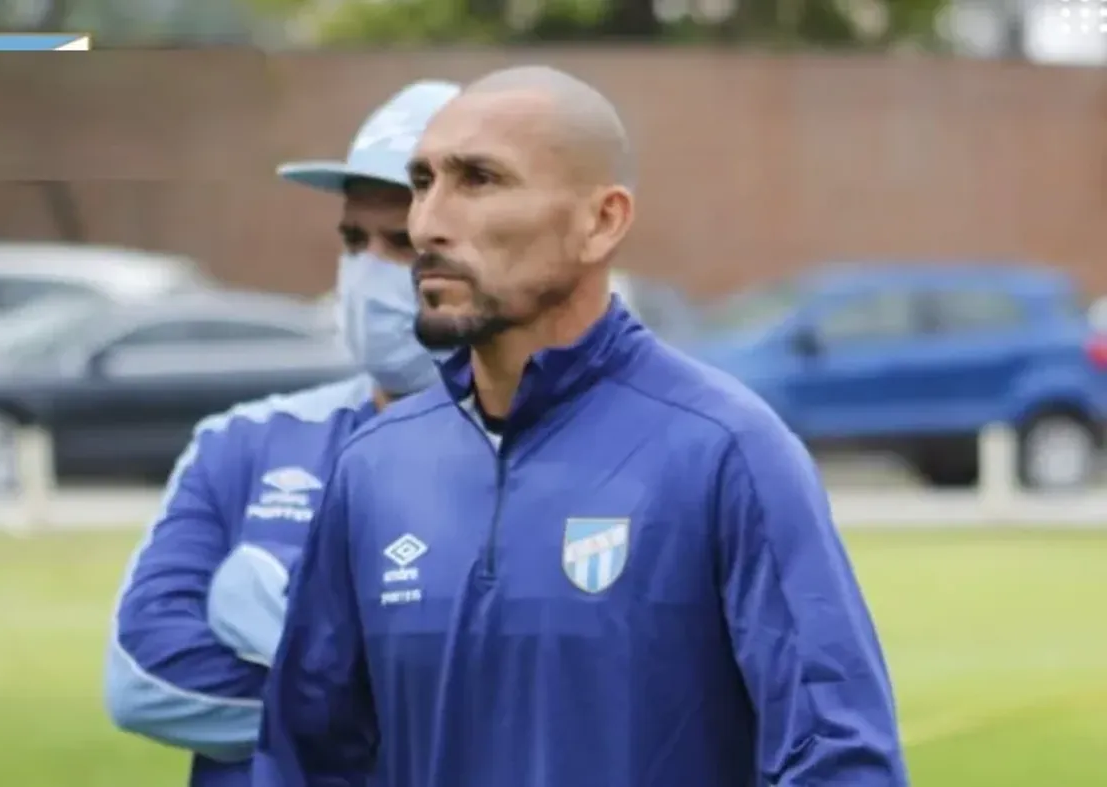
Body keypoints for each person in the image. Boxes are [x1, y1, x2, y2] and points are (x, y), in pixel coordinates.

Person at [256, 65, 909, 787]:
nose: (428, 224)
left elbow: (839, 760)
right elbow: (307, 759)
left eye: (478, 179)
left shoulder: (726, 450)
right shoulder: (373, 466)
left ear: (602, 221)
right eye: (423, 182)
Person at [103, 79, 460, 787]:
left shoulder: (534, 452)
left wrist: (269, 610)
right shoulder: (242, 441)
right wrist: (392, 706)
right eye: (353, 239)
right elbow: (145, 678)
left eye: (401, 241)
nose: (367, 269)